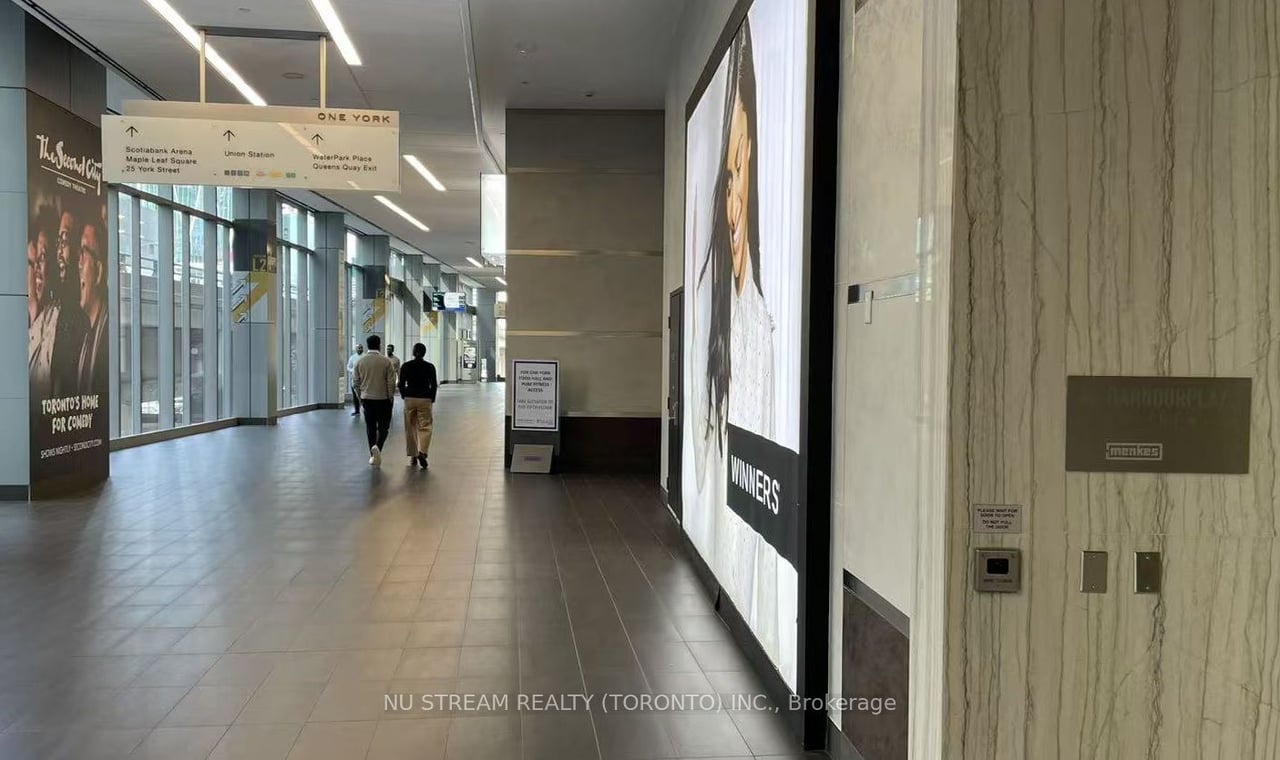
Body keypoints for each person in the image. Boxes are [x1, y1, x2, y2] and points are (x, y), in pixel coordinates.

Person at [353, 335, 397, 466]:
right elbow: (391, 382)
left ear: (367, 345)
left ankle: (372, 455)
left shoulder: (359, 362)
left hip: (367, 399)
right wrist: (390, 397)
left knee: (370, 428)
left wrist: (361, 396)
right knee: (384, 427)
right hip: (383, 399)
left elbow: (356, 382)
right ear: (380, 345)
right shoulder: (386, 362)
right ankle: (378, 447)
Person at [75, 220, 108, 393]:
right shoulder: (88, 337)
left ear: (99, 271)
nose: (78, 263)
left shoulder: (107, 334)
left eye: (84, 252)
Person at [398, 342, 438, 468]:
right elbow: (434, 384)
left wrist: (404, 395)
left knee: (410, 426)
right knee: (425, 426)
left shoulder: (406, 366)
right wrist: (432, 398)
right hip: (425, 398)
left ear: (413, 352)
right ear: (424, 353)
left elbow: (401, 384)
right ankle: (423, 452)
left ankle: (413, 455)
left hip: (410, 398)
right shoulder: (430, 367)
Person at [346, 344, 365, 416]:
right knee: (355, 396)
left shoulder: (365, 356)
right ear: (356, 349)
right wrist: (353, 371)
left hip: (363, 380)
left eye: (361, 348)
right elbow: (348, 367)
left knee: (364, 395)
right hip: (354, 379)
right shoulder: (352, 357)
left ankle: (365, 409)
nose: (360, 349)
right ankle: (357, 411)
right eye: (358, 348)